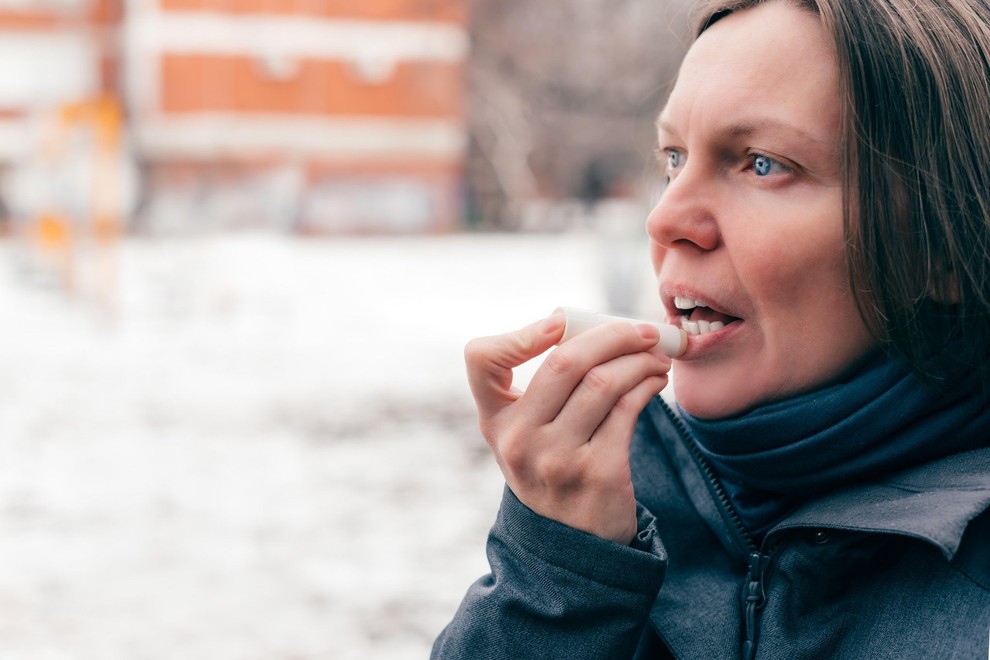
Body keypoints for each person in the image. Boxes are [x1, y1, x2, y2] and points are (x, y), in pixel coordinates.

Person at [433, 0, 990, 657]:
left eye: (760, 163)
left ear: (944, 253)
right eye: (672, 159)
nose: (665, 219)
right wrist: (560, 579)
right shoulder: (607, 518)